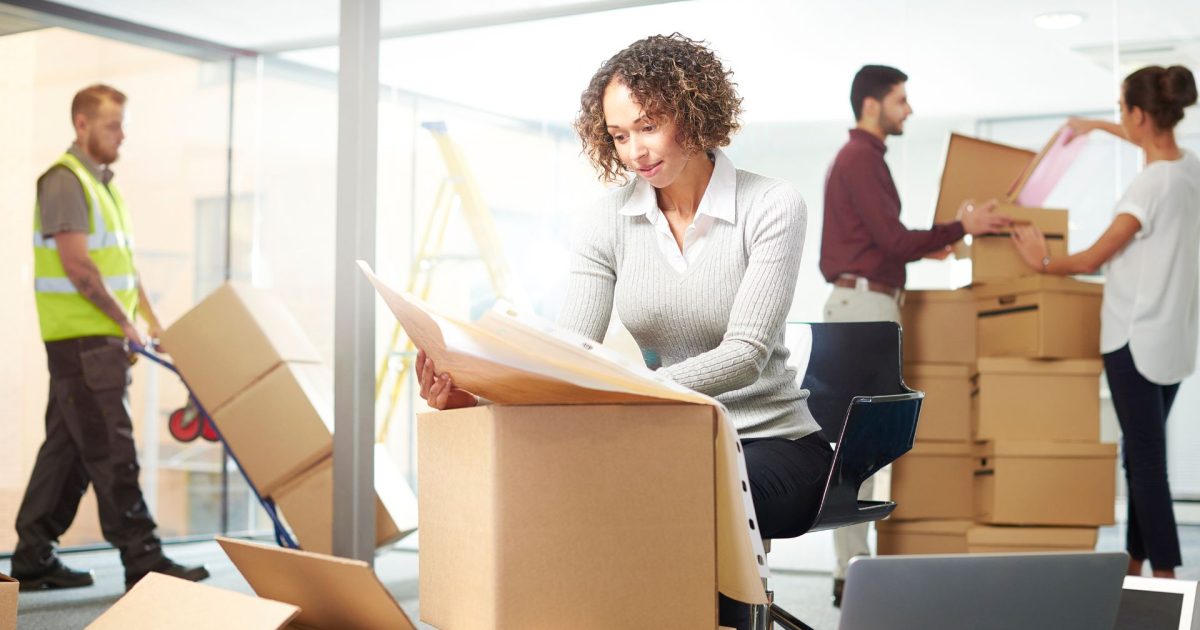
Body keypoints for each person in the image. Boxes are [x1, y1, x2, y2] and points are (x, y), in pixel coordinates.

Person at [415, 33, 830, 628]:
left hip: (769, 440)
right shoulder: (606, 221)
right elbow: (564, 356)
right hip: (664, 437)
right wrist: (472, 395)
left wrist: (630, 387)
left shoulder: (771, 205)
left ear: (694, 111)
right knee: (585, 495)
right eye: (618, 135)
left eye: (649, 126)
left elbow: (744, 354)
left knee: (674, 507)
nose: (634, 150)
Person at [820, 64, 1010, 606]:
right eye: (901, 100)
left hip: (866, 302)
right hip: (864, 306)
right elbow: (893, 239)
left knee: (860, 442)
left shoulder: (861, 159)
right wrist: (959, 227)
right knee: (858, 444)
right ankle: (852, 568)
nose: (909, 110)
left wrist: (933, 243)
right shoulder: (861, 158)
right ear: (873, 105)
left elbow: (889, 241)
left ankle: (852, 566)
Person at [13, 84, 209, 591]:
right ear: (81, 124)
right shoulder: (65, 180)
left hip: (97, 338)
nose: (122, 134)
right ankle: (142, 556)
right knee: (111, 448)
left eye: (122, 124)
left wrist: (151, 320)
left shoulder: (104, 186)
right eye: (112, 125)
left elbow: (121, 265)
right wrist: (125, 325)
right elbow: (78, 266)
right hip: (83, 341)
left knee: (69, 449)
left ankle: (33, 555)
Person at [1012, 65, 1199, 579]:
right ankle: (1137, 562)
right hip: (1174, 343)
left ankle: (1165, 575)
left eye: (1121, 110)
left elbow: (1094, 257)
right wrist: (1097, 127)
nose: (1120, 118)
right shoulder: (1189, 169)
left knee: (1145, 461)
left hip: (1133, 341)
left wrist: (1042, 261)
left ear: (1140, 114)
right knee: (1141, 457)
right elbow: (1151, 140)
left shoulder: (1146, 188)